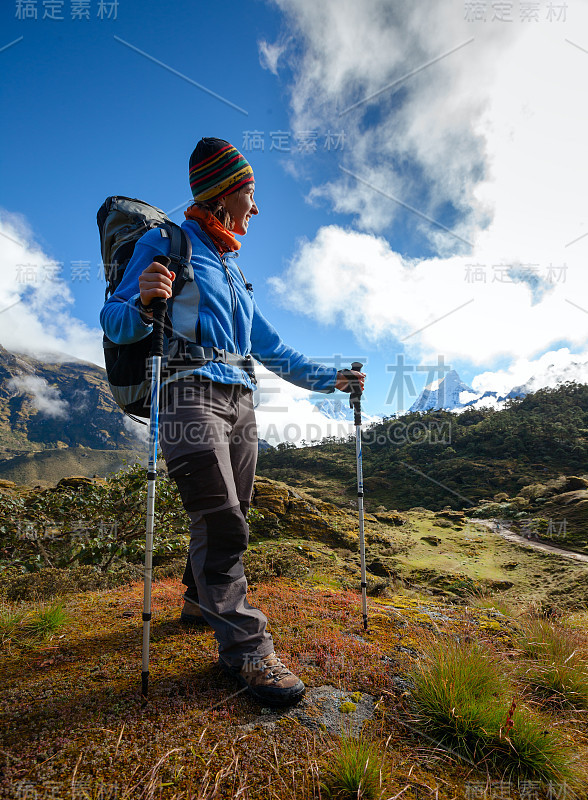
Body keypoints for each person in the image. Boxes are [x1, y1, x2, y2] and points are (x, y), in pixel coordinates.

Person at [100, 137, 364, 707]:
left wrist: (332, 380)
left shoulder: (233, 268)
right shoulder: (165, 243)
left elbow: (275, 349)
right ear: (224, 194)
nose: (257, 207)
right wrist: (144, 298)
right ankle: (247, 647)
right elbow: (115, 320)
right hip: (186, 393)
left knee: (233, 512)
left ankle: (199, 602)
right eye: (251, 193)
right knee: (221, 519)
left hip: (242, 400)